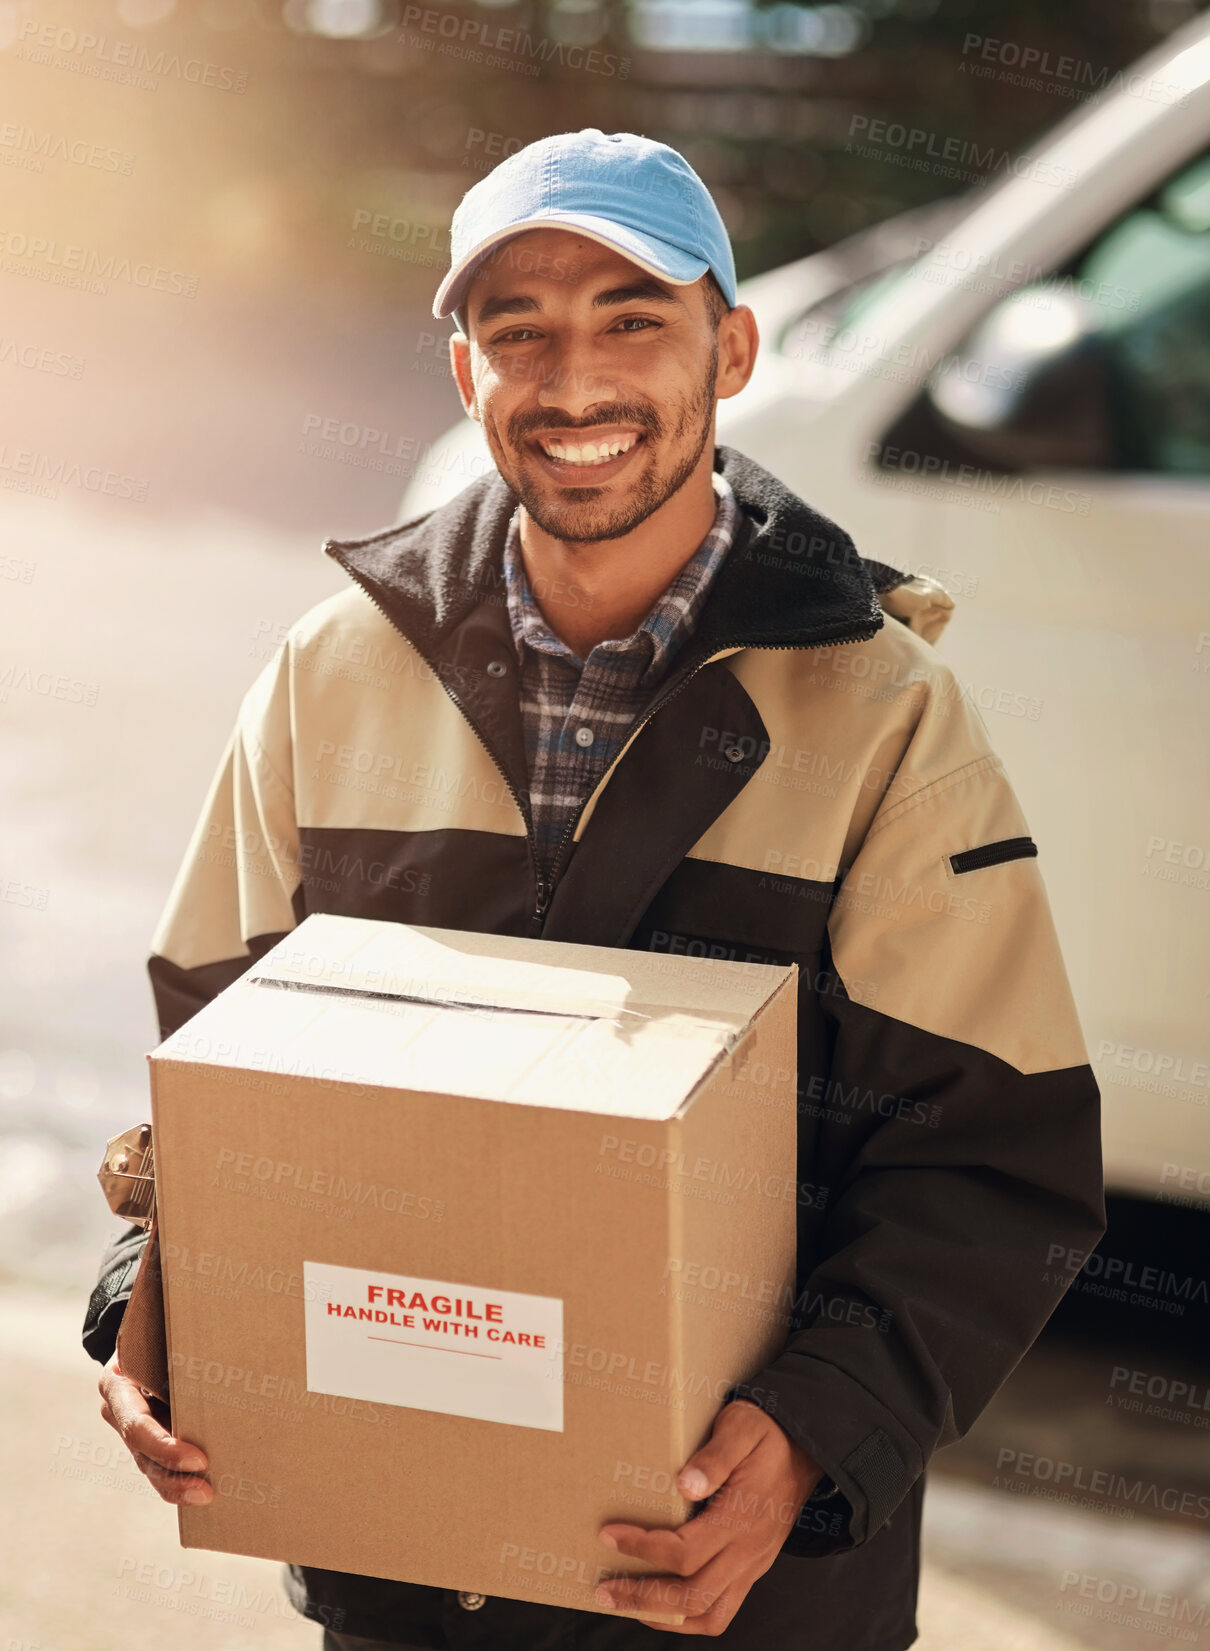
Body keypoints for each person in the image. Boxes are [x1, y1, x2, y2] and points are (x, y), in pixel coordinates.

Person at [84, 128, 1105, 1650]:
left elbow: (993, 1157)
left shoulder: (881, 716)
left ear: (733, 346)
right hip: (405, 1568)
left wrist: (814, 1434)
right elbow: (216, 1080)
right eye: (520, 334)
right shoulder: (329, 677)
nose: (574, 387)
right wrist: (145, 1306)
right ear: (463, 377)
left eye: (633, 319)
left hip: (742, 1588)